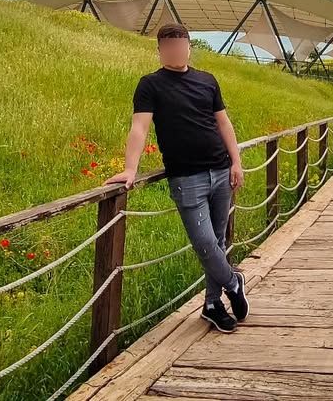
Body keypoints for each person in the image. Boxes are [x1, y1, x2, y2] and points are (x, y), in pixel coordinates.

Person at [104, 22, 249, 333]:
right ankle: (233, 283)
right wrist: (130, 168)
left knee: (218, 240)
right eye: (169, 47)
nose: (176, 51)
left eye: (181, 46)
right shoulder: (150, 85)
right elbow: (139, 128)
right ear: (160, 51)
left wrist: (236, 162)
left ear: (188, 47)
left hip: (220, 171)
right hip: (186, 178)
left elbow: (224, 124)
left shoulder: (207, 81)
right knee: (205, 243)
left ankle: (212, 304)